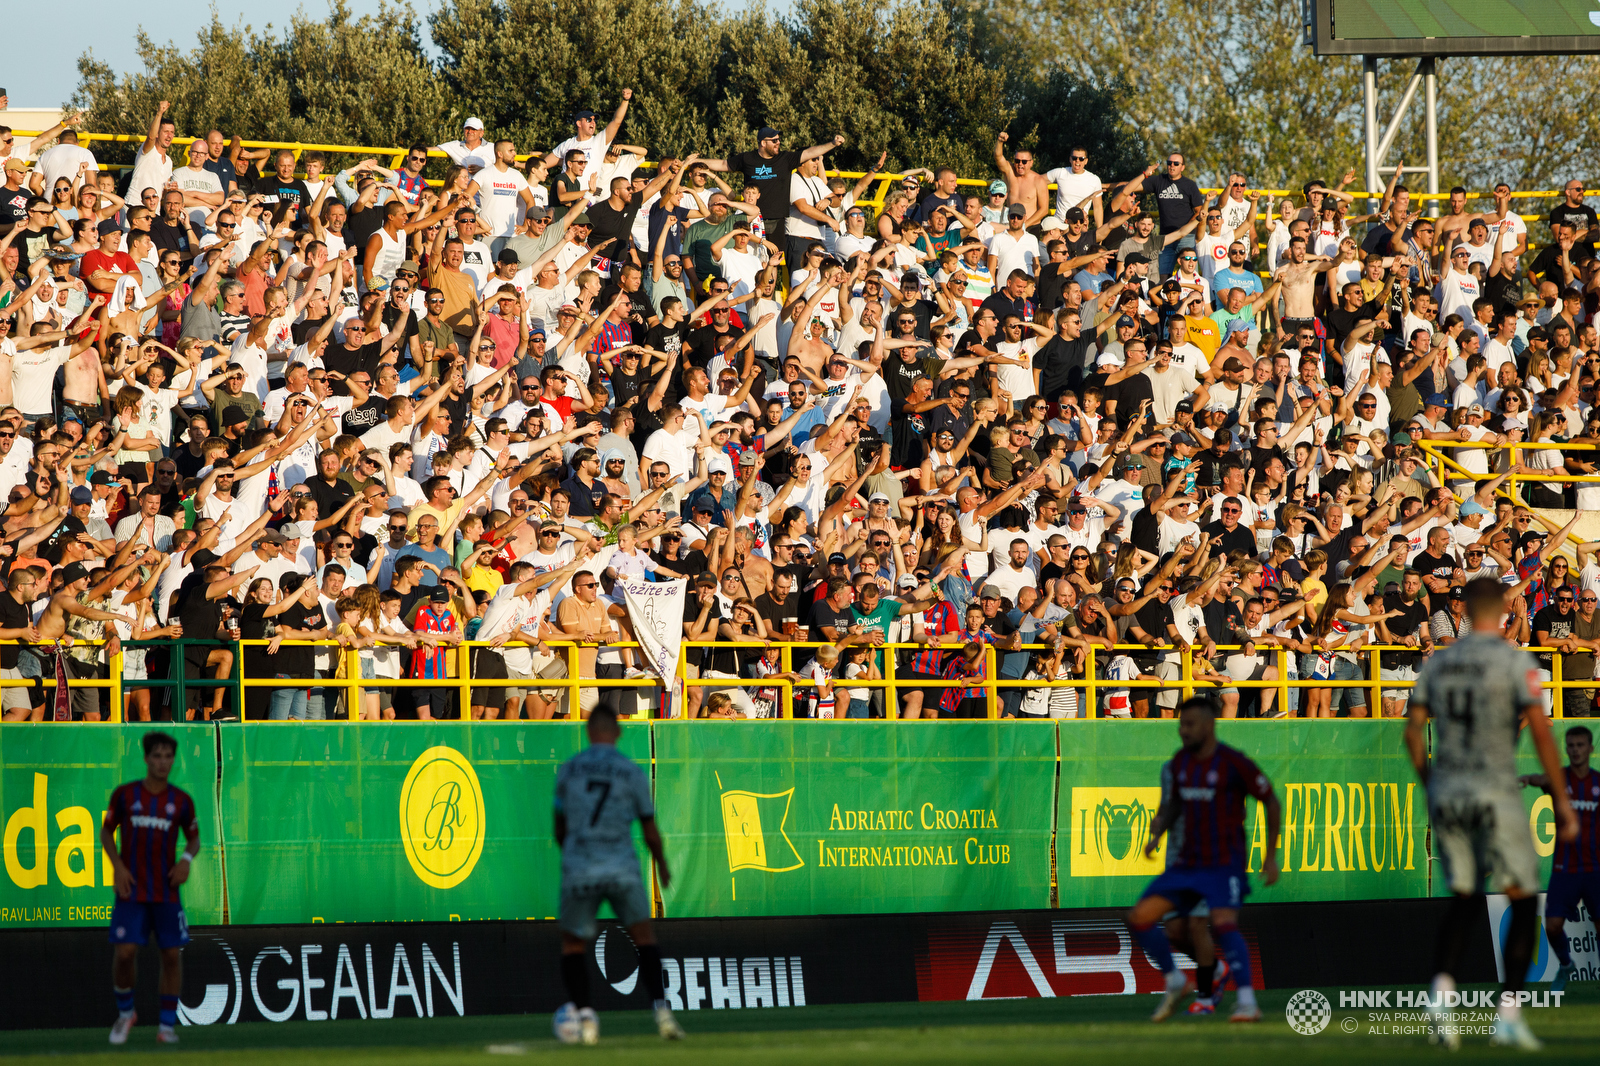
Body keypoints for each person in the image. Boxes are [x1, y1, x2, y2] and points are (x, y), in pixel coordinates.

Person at [1405, 577, 1579, 1051]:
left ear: (1464, 612)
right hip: (1495, 788)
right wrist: (1562, 801)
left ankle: (1441, 996)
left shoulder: (1438, 664)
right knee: (1523, 899)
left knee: (1463, 896)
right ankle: (1507, 1013)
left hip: (1449, 789)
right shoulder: (1513, 660)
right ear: (1503, 611)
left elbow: (1413, 732)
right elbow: (1542, 734)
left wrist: (1430, 783)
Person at [1125, 694, 1280, 1023]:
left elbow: (1271, 802)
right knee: (1139, 918)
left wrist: (1270, 856)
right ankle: (1175, 980)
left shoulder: (1233, 762)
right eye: (1181, 725)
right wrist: (1157, 833)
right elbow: (1175, 806)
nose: (1183, 731)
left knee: (1221, 925)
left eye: (1190, 725)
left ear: (1209, 726)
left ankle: (1246, 1003)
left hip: (1224, 862)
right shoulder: (1180, 763)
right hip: (1186, 864)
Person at [553, 705, 684, 1045]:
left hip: (581, 866)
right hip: (622, 867)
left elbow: (559, 826)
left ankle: (585, 1019)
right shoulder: (630, 771)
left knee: (573, 944)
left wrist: (574, 852)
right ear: (617, 732)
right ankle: (663, 1013)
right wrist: (663, 864)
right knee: (644, 938)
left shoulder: (569, 770)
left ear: (588, 731)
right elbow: (649, 827)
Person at [102, 731, 200, 1046]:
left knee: (171, 955)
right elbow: (106, 833)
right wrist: (117, 867)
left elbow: (194, 838)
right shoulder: (125, 795)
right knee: (126, 952)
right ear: (146, 759)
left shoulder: (182, 800)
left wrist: (185, 859)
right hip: (132, 889)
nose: (162, 762)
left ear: (173, 760)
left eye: (168, 756)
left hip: (166, 891)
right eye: (156, 756)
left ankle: (167, 1027)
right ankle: (125, 1013)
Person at [1518, 725, 1599, 994]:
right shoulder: (1559, 779)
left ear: (1590, 748)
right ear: (1566, 749)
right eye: (1571, 745)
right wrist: (1528, 778)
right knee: (1552, 927)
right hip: (1565, 869)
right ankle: (1566, 965)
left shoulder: (1598, 783)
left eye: (1580, 745)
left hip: (1595, 869)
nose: (1575, 750)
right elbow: (1542, 780)